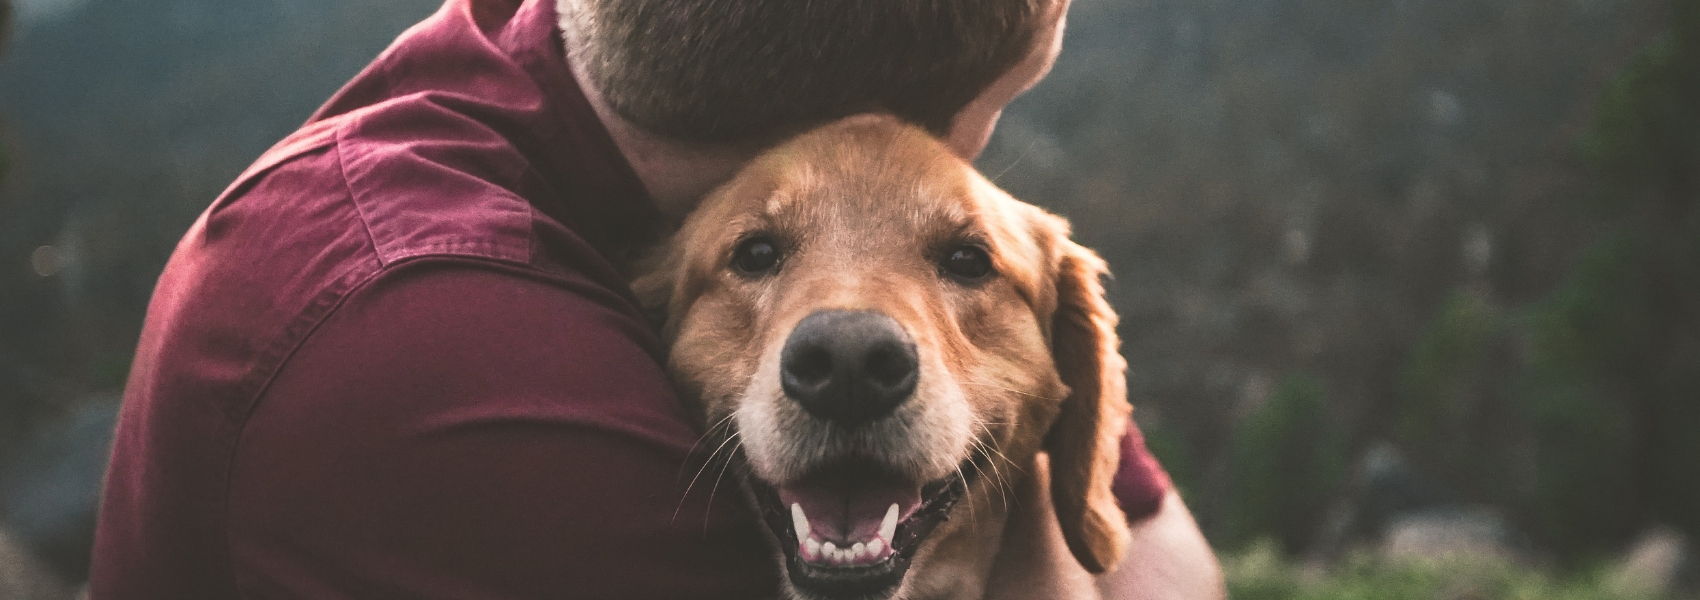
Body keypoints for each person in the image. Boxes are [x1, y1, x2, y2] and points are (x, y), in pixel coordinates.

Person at [89, 0, 1224, 597]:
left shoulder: (589, 56)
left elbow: (1153, 538)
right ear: (874, 121)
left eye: (961, 256)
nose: (849, 330)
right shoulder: (436, 347)